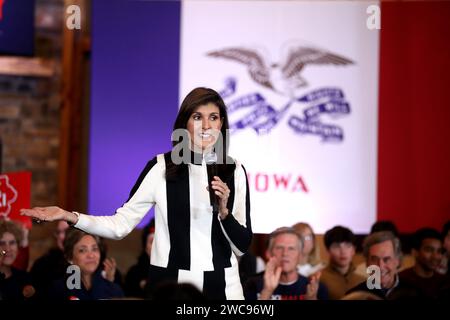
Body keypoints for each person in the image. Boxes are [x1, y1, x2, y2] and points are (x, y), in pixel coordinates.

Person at [21, 87, 252, 300]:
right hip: (170, 286)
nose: (206, 126)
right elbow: (120, 225)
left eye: (213, 117)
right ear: (185, 123)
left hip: (224, 287)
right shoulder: (161, 167)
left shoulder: (235, 171)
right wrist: (68, 215)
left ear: (222, 124)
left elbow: (242, 246)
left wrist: (224, 212)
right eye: (197, 117)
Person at [243, 227, 328, 300]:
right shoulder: (251, 285)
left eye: (291, 248)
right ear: (268, 253)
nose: (285, 253)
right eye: (279, 248)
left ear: (300, 255)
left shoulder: (315, 289)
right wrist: (267, 292)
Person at [48, 229, 124, 300]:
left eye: (94, 249)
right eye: (82, 250)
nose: (91, 255)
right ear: (69, 258)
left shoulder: (114, 290)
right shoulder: (57, 290)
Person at [345, 231, 419, 300]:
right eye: (374, 259)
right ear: (367, 263)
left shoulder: (415, 293)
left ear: (397, 261)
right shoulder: (354, 296)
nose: (380, 266)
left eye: (386, 259)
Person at [399, 227, 447, 299]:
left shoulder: (445, 283)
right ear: (415, 252)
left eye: (439, 251)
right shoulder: (400, 280)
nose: (436, 257)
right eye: (429, 250)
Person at [320, 226, 366, 299]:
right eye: (336, 246)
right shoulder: (319, 279)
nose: (343, 252)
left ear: (353, 250)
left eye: (348, 246)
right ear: (328, 251)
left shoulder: (363, 280)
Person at [0, 219, 35, 300]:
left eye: (12, 243)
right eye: (2, 243)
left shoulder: (25, 279)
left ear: (18, 247)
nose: (8, 249)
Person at [124, 218, 155, 298]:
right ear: (145, 247)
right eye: (152, 241)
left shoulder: (173, 271)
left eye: (158, 241)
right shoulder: (134, 273)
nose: (156, 246)